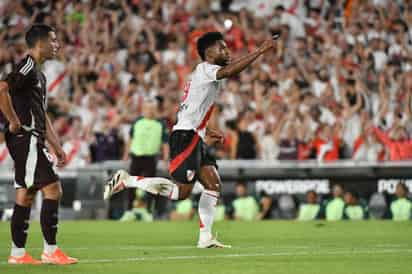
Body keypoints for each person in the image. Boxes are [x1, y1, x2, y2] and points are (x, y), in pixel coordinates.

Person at [104, 31, 279, 248]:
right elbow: (229, 72)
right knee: (181, 193)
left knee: (213, 185)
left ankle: (205, 237)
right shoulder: (206, 69)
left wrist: (206, 130)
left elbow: (192, 108)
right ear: (208, 53)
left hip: (194, 134)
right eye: (222, 48)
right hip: (186, 137)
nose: (227, 51)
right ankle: (128, 180)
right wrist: (260, 50)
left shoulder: (204, 73)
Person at [0, 24, 77, 265]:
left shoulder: (40, 75)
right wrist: (13, 121)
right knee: (53, 189)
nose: (57, 45)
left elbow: (42, 115)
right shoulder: (28, 65)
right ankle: (51, 250)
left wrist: (56, 145)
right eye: (53, 40)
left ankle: (18, 254)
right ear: (40, 43)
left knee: (26, 194)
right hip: (27, 137)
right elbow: (2, 88)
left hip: (33, 137)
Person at [122, 98, 169, 214]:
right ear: (143, 109)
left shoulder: (160, 124)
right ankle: (129, 210)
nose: (150, 111)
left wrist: (165, 159)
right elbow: (130, 139)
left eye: (152, 109)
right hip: (136, 157)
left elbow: (165, 143)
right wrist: (126, 155)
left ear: (155, 110)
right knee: (131, 184)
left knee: (150, 185)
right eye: (148, 109)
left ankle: (149, 210)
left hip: (151, 158)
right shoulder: (137, 122)